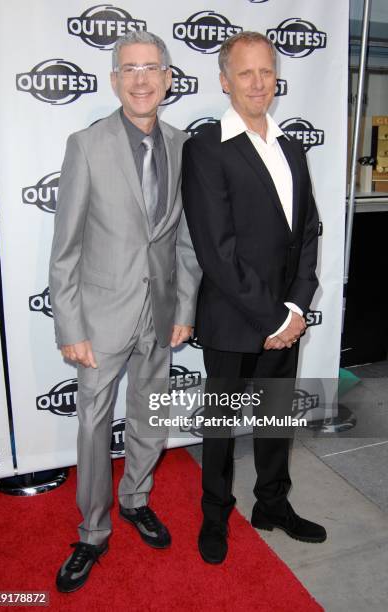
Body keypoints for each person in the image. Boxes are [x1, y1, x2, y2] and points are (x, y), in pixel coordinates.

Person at [49, 31, 200, 592]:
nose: (140, 78)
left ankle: (135, 498)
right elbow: (65, 247)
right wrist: (71, 325)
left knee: (151, 414)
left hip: (160, 311)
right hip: (100, 316)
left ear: (166, 79)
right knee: (92, 424)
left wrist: (184, 305)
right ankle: (92, 532)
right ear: (115, 81)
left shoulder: (186, 147)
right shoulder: (85, 145)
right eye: (128, 69)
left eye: (151, 68)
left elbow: (185, 239)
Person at [182, 31, 326, 565]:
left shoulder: (291, 146)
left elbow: (308, 230)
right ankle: (215, 514)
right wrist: (273, 316)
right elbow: (215, 251)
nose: (258, 82)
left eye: (266, 71)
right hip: (232, 317)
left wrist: (295, 306)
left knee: (275, 419)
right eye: (245, 73)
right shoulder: (205, 148)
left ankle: (272, 505)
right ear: (224, 80)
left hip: (284, 317)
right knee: (220, 428)